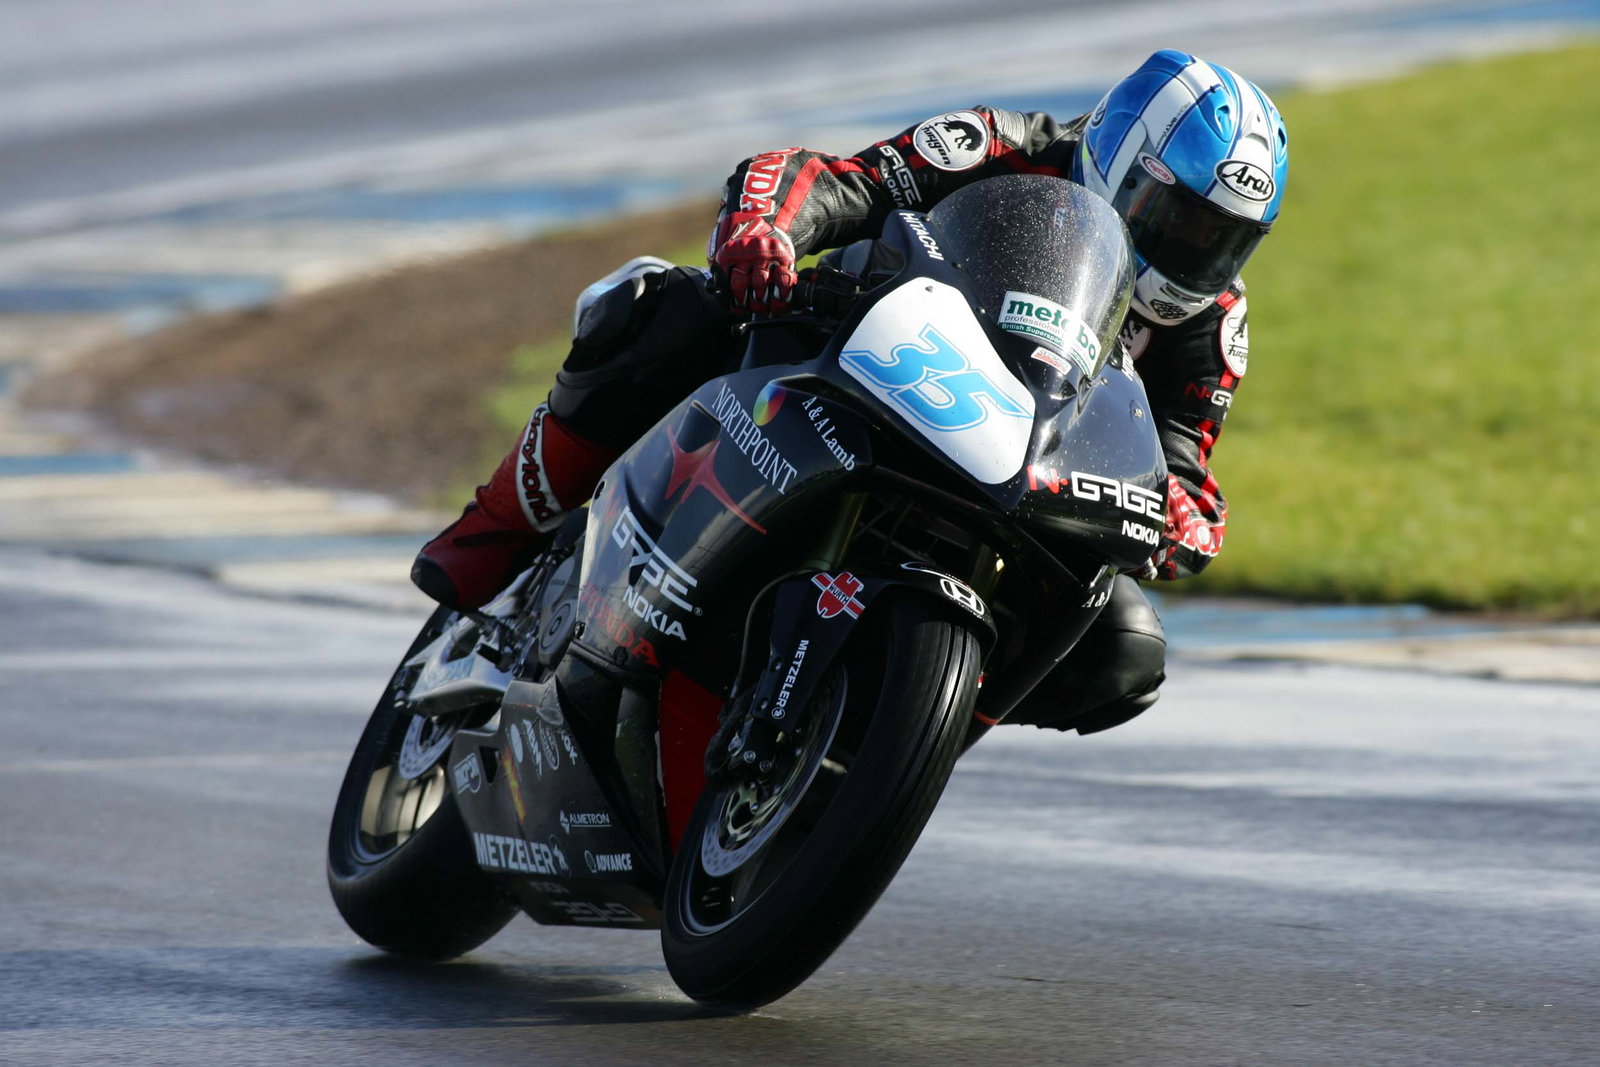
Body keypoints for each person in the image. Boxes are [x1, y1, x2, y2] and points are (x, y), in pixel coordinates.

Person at [410, 48, 1288, 735]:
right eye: (1177, 218)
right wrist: (769, 232)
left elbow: (1182, 458)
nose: (1191, 253)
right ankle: (501, 529)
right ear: (1122, 156)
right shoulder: (1002, 148)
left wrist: (1185, 514)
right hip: (853, 370)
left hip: (1019, 476)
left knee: (1126, 648)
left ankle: (886, 742)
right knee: (668, 312)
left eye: (1223, 240)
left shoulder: (1211, 326)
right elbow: (835, 181)